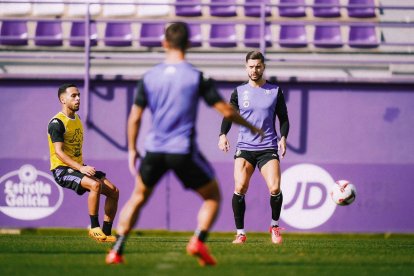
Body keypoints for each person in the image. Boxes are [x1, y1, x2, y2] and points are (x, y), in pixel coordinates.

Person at [105, 22, 263, 266]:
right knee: (213, 196)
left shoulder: (149, 77)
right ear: (189, 44)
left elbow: (135, 117)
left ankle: (116, 250)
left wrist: (132, 149)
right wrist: (252, 127)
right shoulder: (197, 76)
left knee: (137, 197)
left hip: (154, 150)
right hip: (182, 151)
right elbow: (225, 111)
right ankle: (198, 240)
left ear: (164, 43)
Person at [218, 51, 290, 245]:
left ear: (263, 67)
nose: (254, 70)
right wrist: (223, 134)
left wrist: (283, 138)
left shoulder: (275, 91)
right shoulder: (239, 92)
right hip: (245, 147)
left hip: (268, 148)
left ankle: (275, 227)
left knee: (275, 188)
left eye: (258, 66)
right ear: (246, 67)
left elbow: (283, 118)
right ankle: (240, 233)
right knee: (240, 187)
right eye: (251, 66)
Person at [47, 83, 119, 242]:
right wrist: (81, 167)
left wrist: (82, 167)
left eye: (78, 95)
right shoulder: (57, 123)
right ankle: (94, 228)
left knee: (114, 191)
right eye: (73, 95)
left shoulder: (77, 118)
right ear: (62, 99)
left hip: (79, 168)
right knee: (95, 185)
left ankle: (105, 234)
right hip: (62, 170)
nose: (78, 98)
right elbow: (59, 152)